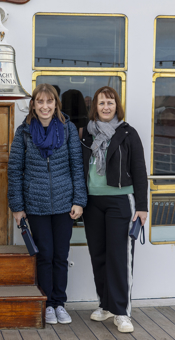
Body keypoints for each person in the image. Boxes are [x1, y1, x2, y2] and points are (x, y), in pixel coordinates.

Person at [8, 84, 87, 325]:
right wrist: (17, 207)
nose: (44, 106)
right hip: (36, 204)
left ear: (55, 104)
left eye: (49, 102)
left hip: (65, 204)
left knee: (61, 256)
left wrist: (79, 201)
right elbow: (14, 171)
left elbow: (77, 166)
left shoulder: (68, 129)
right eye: (40, 102)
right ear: (33, 105)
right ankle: (46, 304)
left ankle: (59, 303)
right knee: (45, 255)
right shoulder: (24, 132)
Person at [80, 86, 147, 333]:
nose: (106, 107)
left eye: (110, 103)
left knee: (119, 258)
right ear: (94, 107)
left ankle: (122, 312)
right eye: (101, 103)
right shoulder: (86, 135)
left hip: (121, 202)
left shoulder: (128, 133)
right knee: (99, 256)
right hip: (93, 203)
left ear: (116, 106)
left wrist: (142, 206)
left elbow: (139, 170)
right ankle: (105, 305)